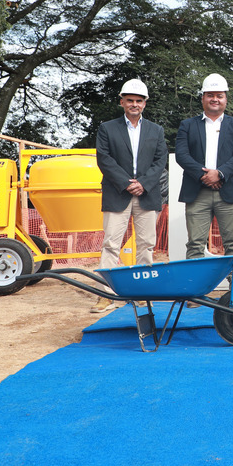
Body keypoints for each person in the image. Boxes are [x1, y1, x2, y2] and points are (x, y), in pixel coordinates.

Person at [93, 79, 168, 312]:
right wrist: (127, 184)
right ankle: (106, 294)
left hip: (147, 194)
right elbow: (104, 159)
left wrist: (143, 183)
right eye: (130, 100)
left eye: (139, 100)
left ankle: (142, 292)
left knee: (146, 244)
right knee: (111, 244)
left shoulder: (156, 130)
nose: (134, 104)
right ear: (122, 102)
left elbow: (160, 161)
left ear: (145, 103)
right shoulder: (107, 128)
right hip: (118, 193)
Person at [175, 73, 233, 260]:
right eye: (210, 95)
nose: (214, 99)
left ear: (226, 99)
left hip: (230, 192)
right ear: (203, 98)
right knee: (195, 245)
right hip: (197, 191)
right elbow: (182, 155)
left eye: (219, 95)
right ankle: (195, 288)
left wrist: (220, 174)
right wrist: (205, 176)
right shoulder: (187, 125)